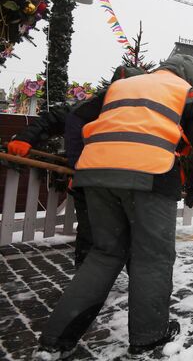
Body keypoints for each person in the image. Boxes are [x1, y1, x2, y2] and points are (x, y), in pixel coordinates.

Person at [36, 55, 193, 359]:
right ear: (192, 77)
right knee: (153, 257)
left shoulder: (121, 86)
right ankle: (149, 337)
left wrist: (79, 161)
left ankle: (55, 339)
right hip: (150, 175)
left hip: (95, 173)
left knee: (103, 254)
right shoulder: (184, 92)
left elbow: (75, 118)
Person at [7, 66, 145, 268]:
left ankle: (137, 288)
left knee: (134, 238)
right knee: (93, 237)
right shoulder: (95, 106)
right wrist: (26, 139)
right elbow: (55, 117)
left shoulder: (146, 113)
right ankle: (87, 284)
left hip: (132, 184)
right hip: (93, 182)